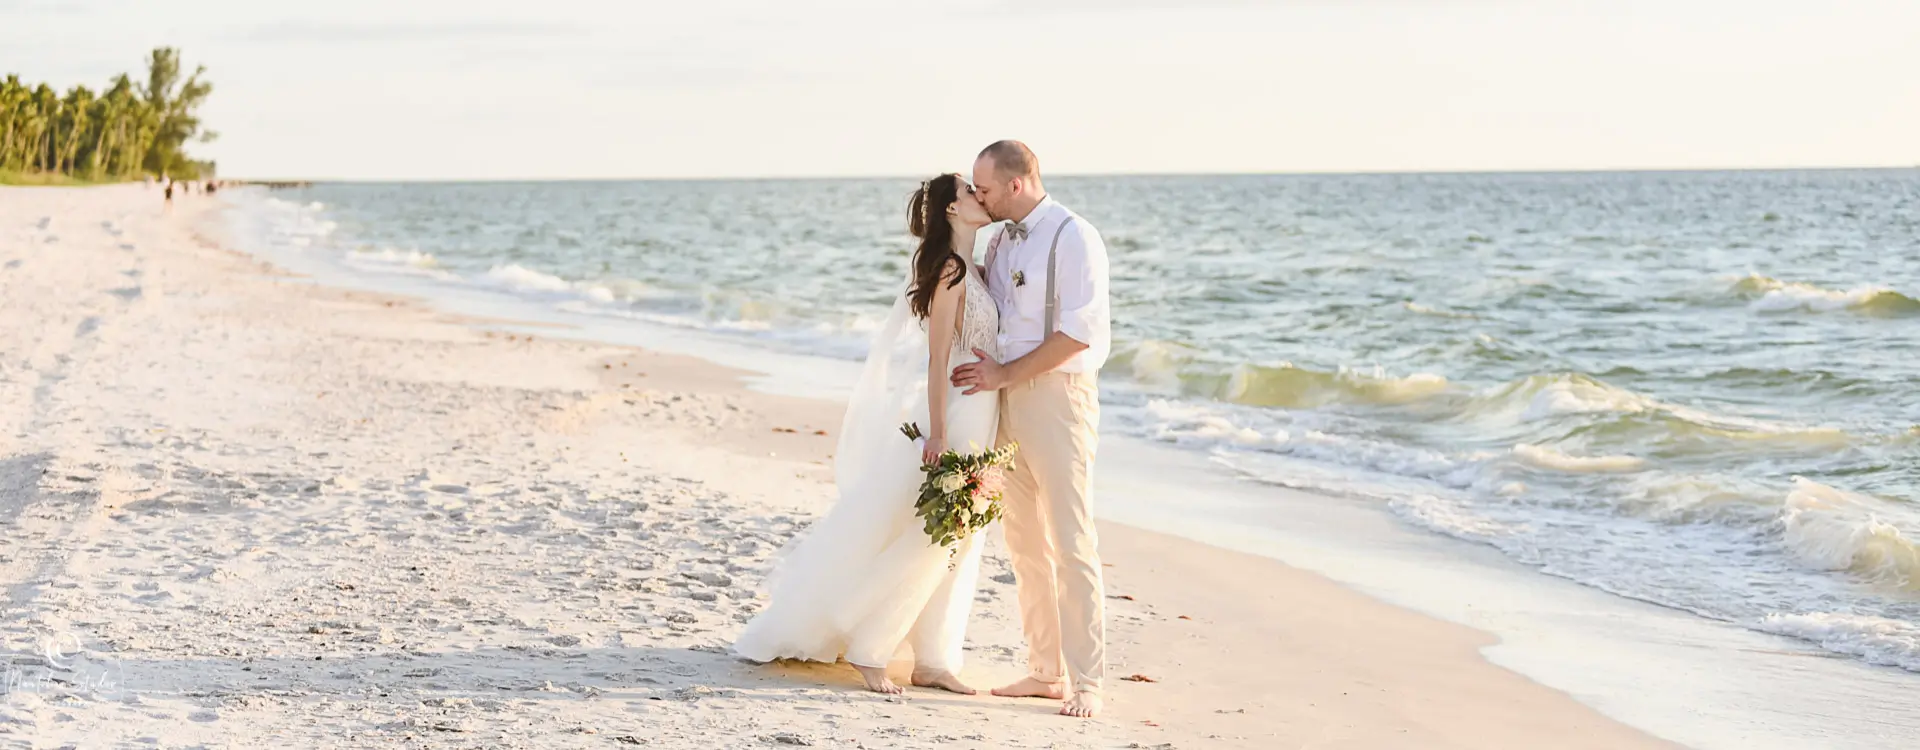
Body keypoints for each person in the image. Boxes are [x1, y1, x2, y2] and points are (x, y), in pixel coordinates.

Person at [734, 173, 1001, 696]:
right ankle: (871, 648)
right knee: (932, 536)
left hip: (982, 411)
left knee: (958, 540)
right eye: (970, 191)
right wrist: (939, 433)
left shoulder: (976, 268)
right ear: (951, 209)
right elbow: (938, 357)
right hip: (959, 413)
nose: (979, 195)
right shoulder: (950, 271)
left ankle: (932, 660)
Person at [951, 140, 1112, 719]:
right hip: (1004, 400)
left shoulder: (1075, 236)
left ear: (1016, 184)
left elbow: (1081, 333)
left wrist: (1006, 374)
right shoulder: (996, 239)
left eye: (986, 188)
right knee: (1022, 539)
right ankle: (1046, 671)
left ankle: (1088, 679)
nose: (981, 196)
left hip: (1058, 399)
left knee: (1071, 539)